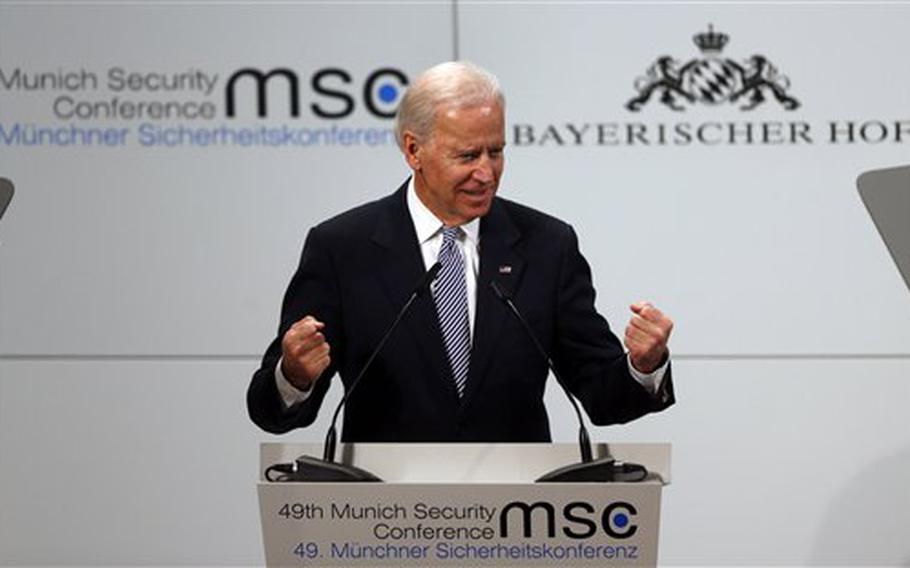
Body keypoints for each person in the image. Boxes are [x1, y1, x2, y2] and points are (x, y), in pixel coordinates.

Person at [247, 61, 675, 441]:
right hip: (383, 515)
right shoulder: (342, 248)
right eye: (467, 155)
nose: (486, 173)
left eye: (497, 151)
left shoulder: (547, 245)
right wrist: (295, 377)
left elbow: (603, 396)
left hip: (517, 513)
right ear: (414, 150)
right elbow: (272, 411)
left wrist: (643, 365)